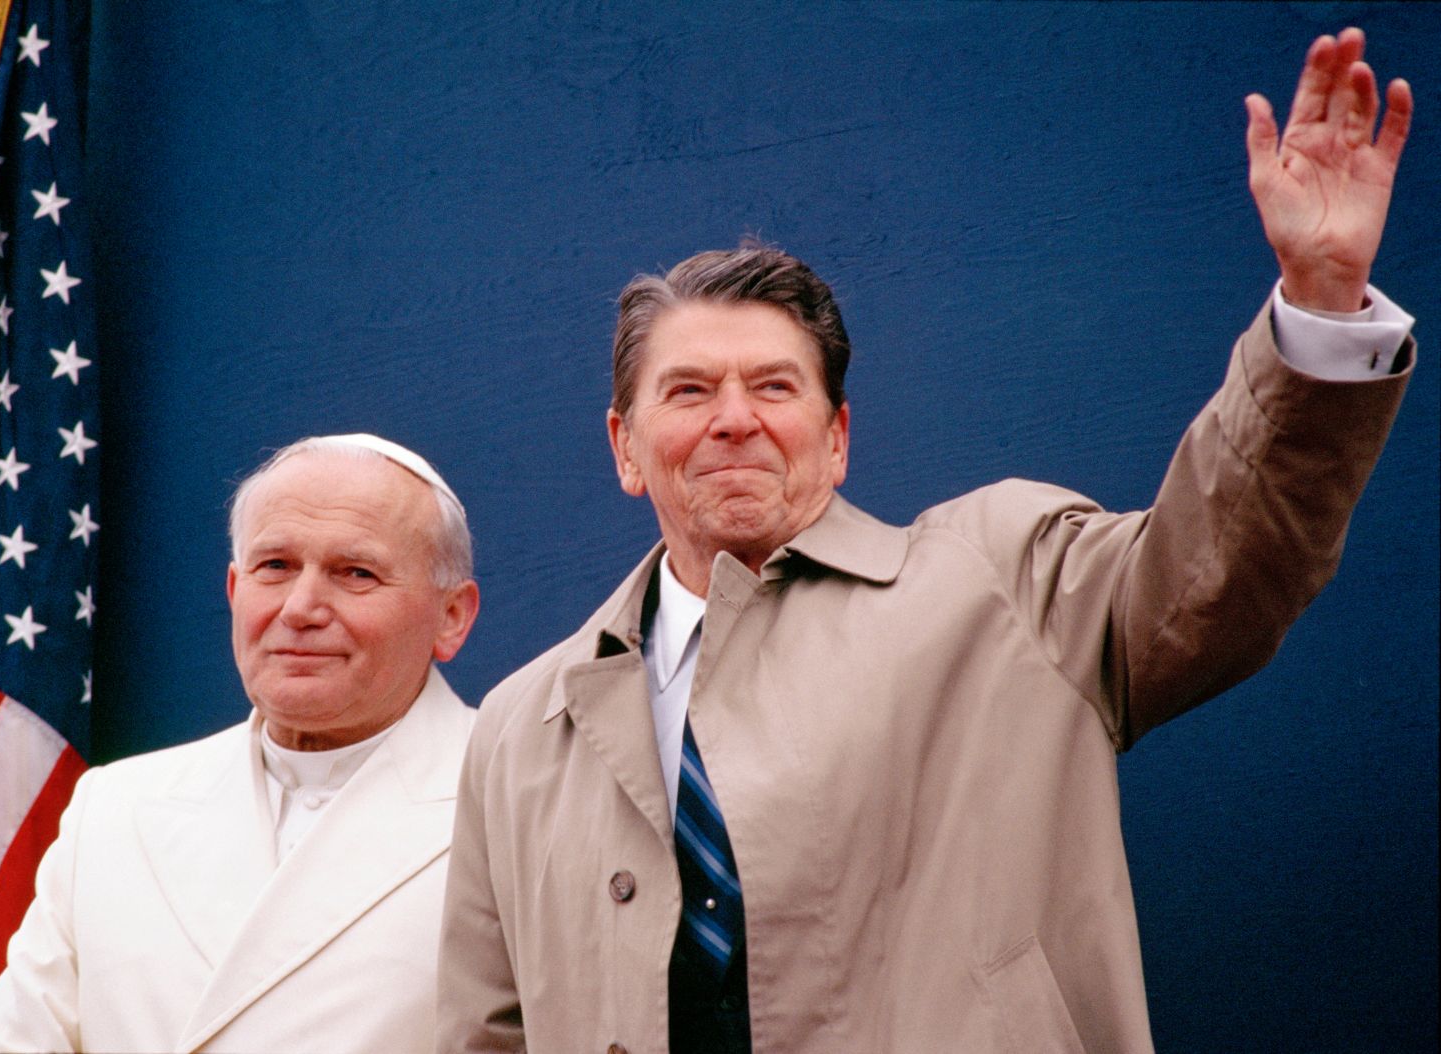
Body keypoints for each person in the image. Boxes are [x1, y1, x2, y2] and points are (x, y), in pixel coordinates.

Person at [436, 28, 1415, 1053]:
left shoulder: (1002, 576)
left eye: (774, 386)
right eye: (687, 391)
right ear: (625, 447)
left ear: (838, 436)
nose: (733, 418)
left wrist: (1318, 304)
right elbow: (480, 1033)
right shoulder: (519, 727)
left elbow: (1224, 562)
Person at [0, 434, 481, 1053]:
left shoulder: (513, 799)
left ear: (451, 616)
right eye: (275, 567)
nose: (301, 607)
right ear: (236, 591)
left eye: (355, 573)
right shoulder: (114, 808)